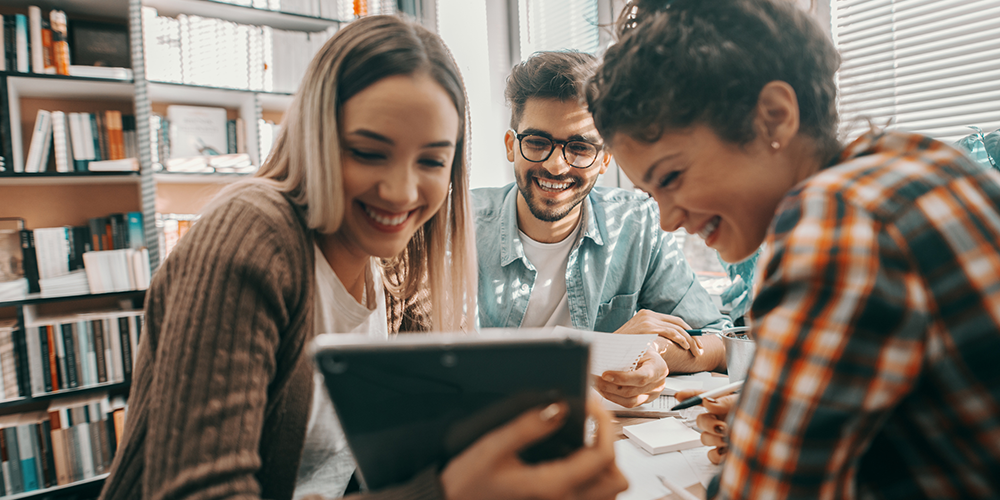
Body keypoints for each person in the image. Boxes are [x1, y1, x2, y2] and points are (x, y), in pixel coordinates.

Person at [99, 15, 626, 500]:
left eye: (431, 160)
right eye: (369, 152)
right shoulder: (254, 233)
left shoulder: (397, 264)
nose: (400, 192)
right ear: (317, 140)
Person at [590, 0, 1000, 498]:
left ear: (774, 117)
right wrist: (777, 410)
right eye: (653, 194)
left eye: (673, 177)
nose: (669, 219)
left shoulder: (837, 220)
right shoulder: (922, 163)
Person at [474, 51, 731, 408]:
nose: (555, 165)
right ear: (511, 147)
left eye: (579, 147)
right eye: (537, 142)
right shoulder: (460, 228)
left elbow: (716, 340)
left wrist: (651, 352)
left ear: (605, 158)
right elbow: (445, 367)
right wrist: (604, 353)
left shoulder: (637, 223)